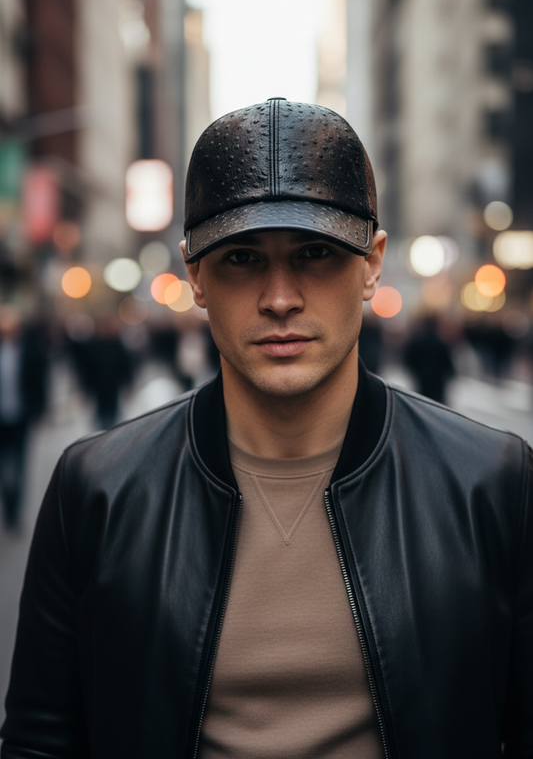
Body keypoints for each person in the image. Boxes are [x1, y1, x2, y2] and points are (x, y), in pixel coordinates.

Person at [1, 100, 531, 758]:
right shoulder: (97, 490)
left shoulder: (491, 482)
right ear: (194, 272)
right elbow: (39, 742)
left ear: (371, 264)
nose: (280, 297)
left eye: (314, 252)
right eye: (242, 259)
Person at [0, 305, 48, 531]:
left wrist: (39, 410)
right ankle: (7, 501)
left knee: (18, 465)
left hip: (21, 416)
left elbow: (40, 380)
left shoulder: (30, 349)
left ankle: (14, 510)